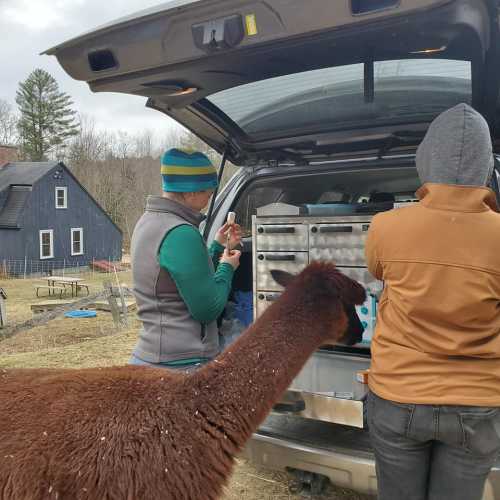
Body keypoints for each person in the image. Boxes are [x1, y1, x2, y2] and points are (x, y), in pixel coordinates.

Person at [365, 103, 500, 500]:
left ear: (425, 159)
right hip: (478, 402)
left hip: (397, 393)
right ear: (485, 166)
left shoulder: (386, 226)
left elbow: (378, 274)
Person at [129, 148, 241, 371]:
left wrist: (217, 246)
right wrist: (227, 268)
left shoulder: (149, 221)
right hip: (180, 366)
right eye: (208, 192)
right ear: (189, 193)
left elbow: (181, 280)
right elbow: (207, 308)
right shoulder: (181, 233)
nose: (210, 197)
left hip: (153, 357)